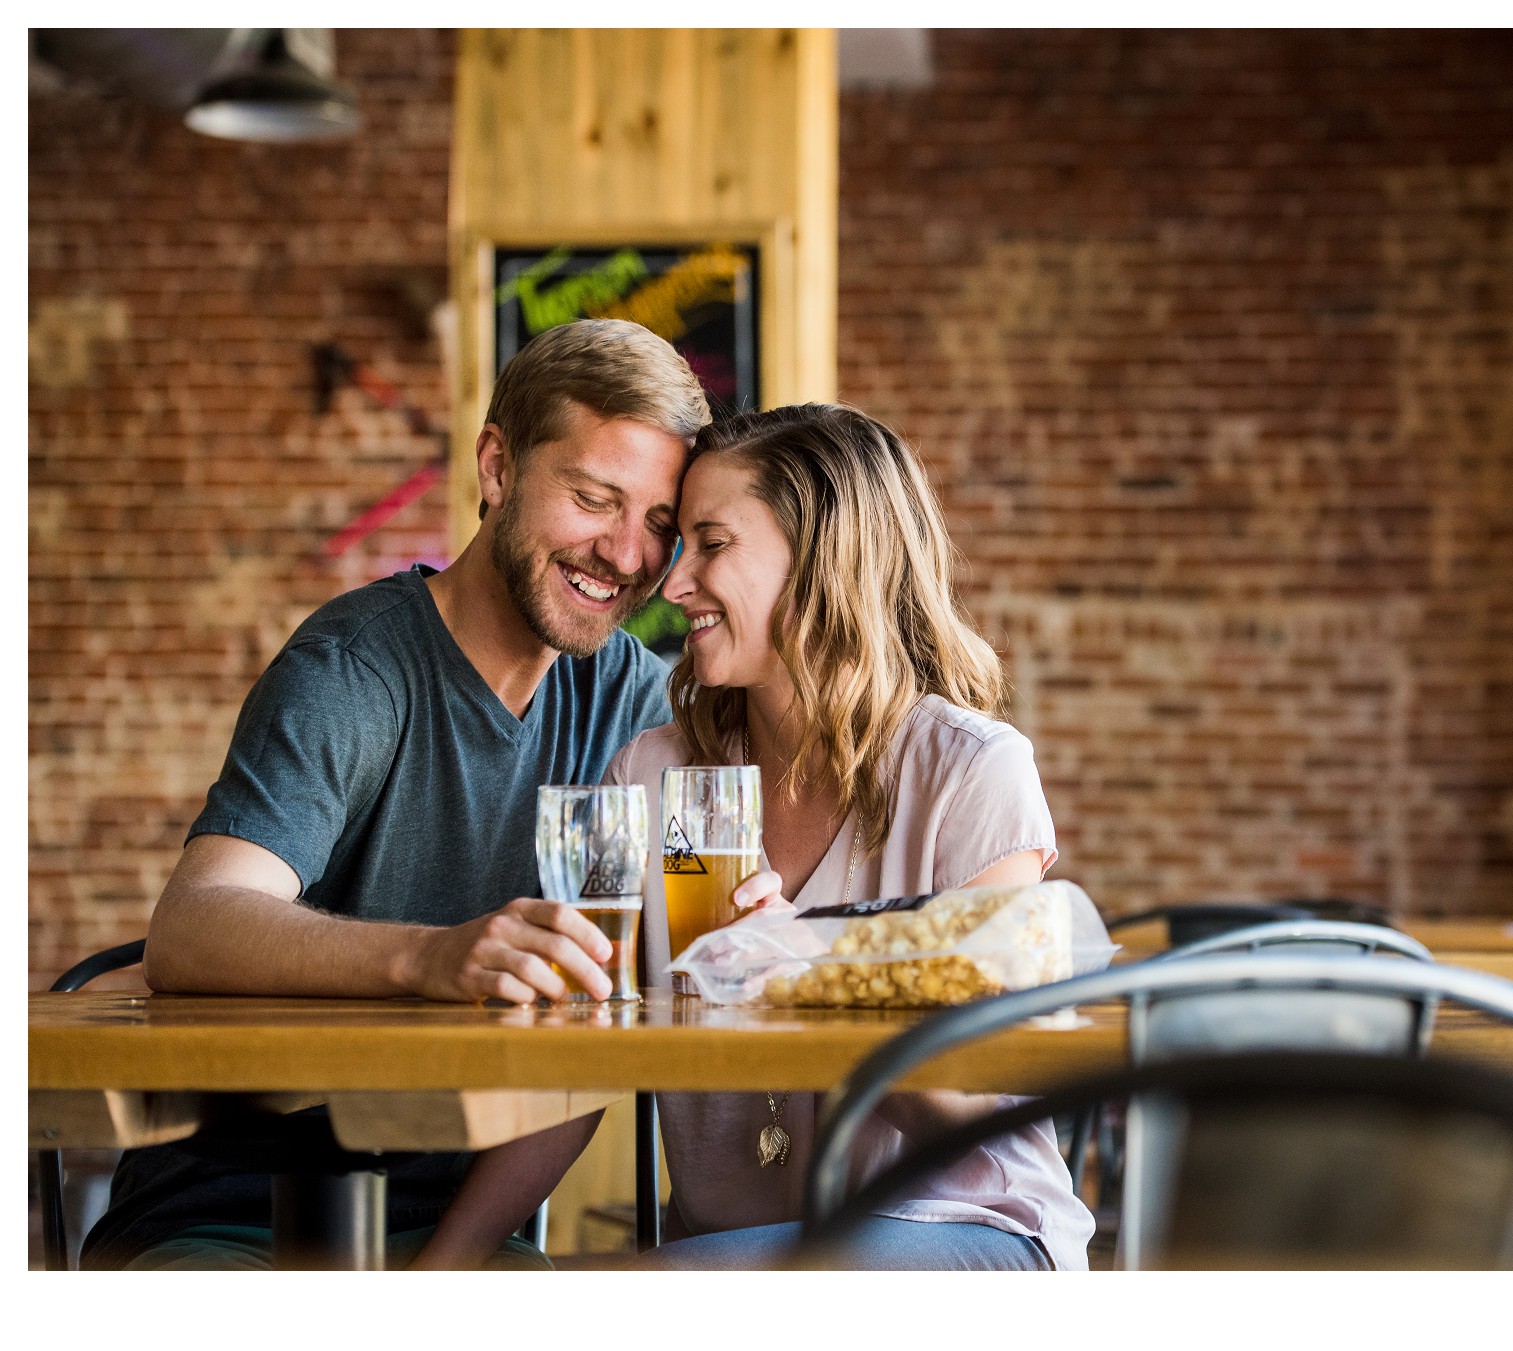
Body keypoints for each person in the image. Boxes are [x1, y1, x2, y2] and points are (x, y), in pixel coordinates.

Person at [80, 319, 712, 1270]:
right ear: (497, 466)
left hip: (456, 1232)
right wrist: (436, 957)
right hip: (238, 1219)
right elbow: (196, 923)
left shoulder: (630, 700)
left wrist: (439, 1277)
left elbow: (600, 1028)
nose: (626, 555)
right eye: (593, 498)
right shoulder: (354, 670)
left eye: (660, 523)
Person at [420, 403, 1096, 1271]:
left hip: (968, 1232)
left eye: (712, 544)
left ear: (822, 561)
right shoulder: (642, 776)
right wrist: (441, 1271)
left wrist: (819, 980)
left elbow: (973, 1109)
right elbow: (576, 1063)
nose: (670, 584)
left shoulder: (973, 772)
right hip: (728, 1251)